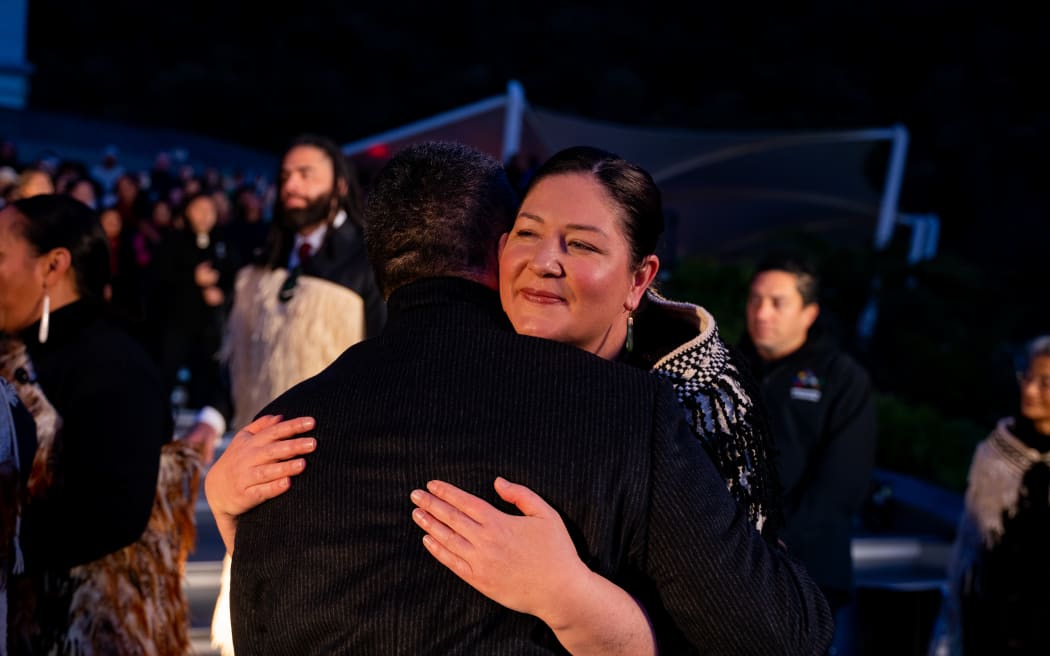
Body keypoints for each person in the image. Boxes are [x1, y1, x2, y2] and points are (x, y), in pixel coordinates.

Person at [220, 141, 832, 654]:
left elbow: (773, 631)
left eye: (583, 245)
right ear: (495, 249)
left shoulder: (684, 401)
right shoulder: (284, 440)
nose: (544, 261)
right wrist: (228, 510)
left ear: (640, 279)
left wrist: (573, 599)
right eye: (528, 232)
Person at [199, 134, 388, 655]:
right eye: (285, 176)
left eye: (306, 174)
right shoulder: (262, 255)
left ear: (338, 184)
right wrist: (210, 420)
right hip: (258, 458)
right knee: (249, 618)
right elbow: (235, 359)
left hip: (338, 463)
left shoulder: (368, 261)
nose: (292, 185)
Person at [0, 194, 204, 654]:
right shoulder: (17, 349)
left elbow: (113, 510)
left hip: (88, 629)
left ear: (53, 266)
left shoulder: (111, 363)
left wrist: (11, 539)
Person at [738, 252, 877, 620]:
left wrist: (771, 544)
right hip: (726, 561)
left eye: (777, 303)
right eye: (756, 300)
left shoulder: (843, 380)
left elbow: (841, 487)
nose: (762, 313)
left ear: (809, 312)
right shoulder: (727, 367)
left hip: (806, 572)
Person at [933, 335, 1050, 655]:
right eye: (1027, 377)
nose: (1029, 390)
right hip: (991, 616)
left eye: (1045, 383)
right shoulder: (995, 451)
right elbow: (969, 545)